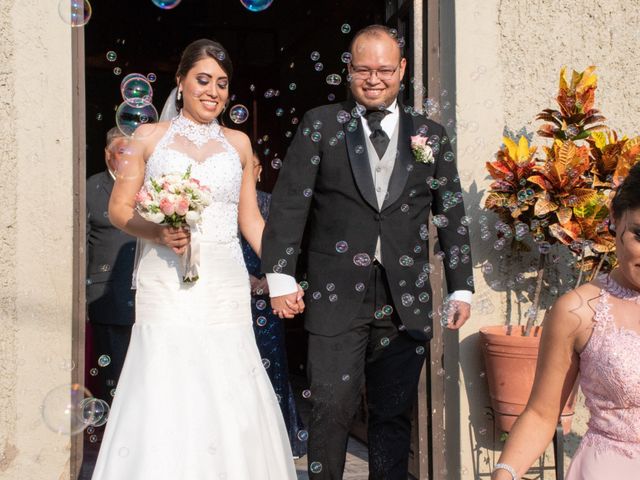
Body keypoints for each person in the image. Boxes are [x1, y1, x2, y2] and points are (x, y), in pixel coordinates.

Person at [262, 25, 474, 479]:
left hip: (404, 297)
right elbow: (290, 203)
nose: (373, 78)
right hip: (335, 292)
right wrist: (279, 277)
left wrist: (462, 288)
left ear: (401, 70)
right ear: (348, 70)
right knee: (331, 408)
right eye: (363, 68)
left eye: (383, 69)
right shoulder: (321, 124)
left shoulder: (430, 135)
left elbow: (451, 213)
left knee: (393, 416)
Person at [91, 39, 297, 479]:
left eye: (222, 84)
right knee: (167, 375)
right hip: (164, 281)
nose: (214, 91)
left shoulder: (238, 144)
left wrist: (281, 277)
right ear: (180, 82)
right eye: (203, 80)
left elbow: (252, 221)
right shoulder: (147, 138)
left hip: (224, 279)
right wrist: (159, 231)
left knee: (228, 377)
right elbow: (119, 209)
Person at [491, 164, 640, 480]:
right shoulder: (577, 311)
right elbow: (542, 414)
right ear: (615, 220)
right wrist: (504, 474)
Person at [241, 152, 308, 458]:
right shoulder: (223, 205)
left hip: (267, 301)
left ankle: (281, 438)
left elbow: (287, 246)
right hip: (233, 295)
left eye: (249, 166)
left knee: (271, 365)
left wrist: (272, 281)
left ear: (258, 171)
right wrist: (244, 281)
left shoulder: (270, 203)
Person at [86, 127, 136, 405]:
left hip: (147, 295)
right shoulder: (91, 188)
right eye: (122, 152)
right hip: (107, 297)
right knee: (111, 379)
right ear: (108, 155)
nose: (129, 160)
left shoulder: (150, 186)